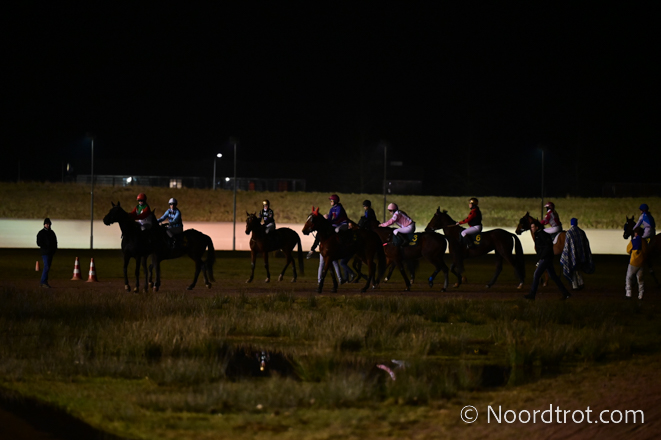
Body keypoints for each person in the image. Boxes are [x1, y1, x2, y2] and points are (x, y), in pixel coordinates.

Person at [524, 222, 571, 300]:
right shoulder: (539, 234)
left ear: (537, 227)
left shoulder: (541, 235)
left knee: (536, 275)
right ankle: (566, 293)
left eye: (533, 227)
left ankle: (532, 295)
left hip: (545, 258)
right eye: (531, 227)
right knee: (553, 276)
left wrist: (543, 256)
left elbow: (548, 246)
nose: (532, 229)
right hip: (546, 258)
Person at [560, 218, 595, 290]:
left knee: (573, 269)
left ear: (571, 223)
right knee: (578, 269)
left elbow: (567, 245)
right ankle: (581, 282)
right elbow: (586, 243)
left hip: (573, 255)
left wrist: (564, 256)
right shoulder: (581, 232)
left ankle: (575, 285)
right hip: (581, 255)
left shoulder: (569, 233)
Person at [626, 228, 647, 299]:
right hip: (641, 263)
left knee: (629, 278)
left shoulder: (633, 241)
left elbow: (628, 250)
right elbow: (645, 251)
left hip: (633, 263)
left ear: (636, 233)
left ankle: (628, 294)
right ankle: (641, 295)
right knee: (640, 280)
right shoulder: (644, 242)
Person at [36, 218, 57, 288]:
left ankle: (44, 281)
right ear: (44, 224)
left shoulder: (52, 233)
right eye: (46, 224)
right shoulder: (41, 233)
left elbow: (55, 242)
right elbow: (38, 242)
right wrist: (45, 246)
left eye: (48, 224)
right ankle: (43, 282)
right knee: (46, 266)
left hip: (50, 252)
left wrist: (54, 250)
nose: (47, 225)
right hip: (45, 252)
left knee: (47, 267)